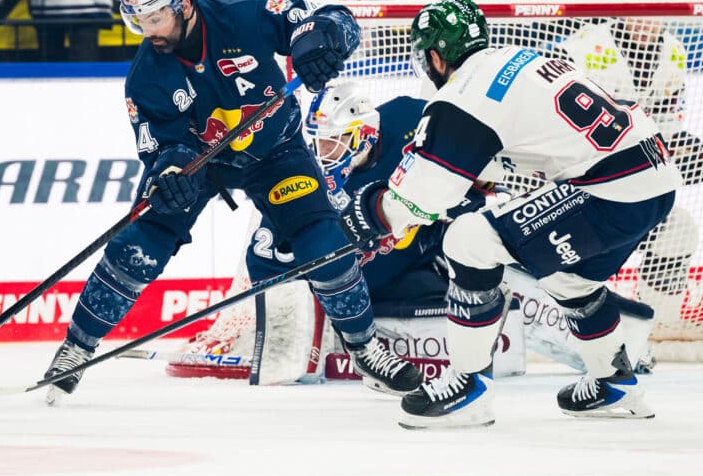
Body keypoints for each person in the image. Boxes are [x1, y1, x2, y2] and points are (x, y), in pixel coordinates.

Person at [41, 0, 422, 405]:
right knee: (138, 246)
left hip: (276, 153)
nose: (149, 31)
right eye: (139, 21)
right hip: (202, 165)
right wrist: (170, 171)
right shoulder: (145, 77)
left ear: (183, 3)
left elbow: (330, 17)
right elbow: (161, 146)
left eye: (156, 18)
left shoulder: (243, 19)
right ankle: (74, 350)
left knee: (323, 243)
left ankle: (365, 350)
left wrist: (318, 42)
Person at [337, 0, 680, 428]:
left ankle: (469, 387)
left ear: (435, 55)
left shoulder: (464, 93)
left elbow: (420, 194)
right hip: (655, 175)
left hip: (611, 187)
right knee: (567, 277)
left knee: (468, 240)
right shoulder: (520, 59)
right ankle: (615, 383)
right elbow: (507, 148)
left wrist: (367, 217)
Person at [239, 78, 658, 383]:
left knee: (501, 259)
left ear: (364, 133)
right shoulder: (309, 182)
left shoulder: (406, 117)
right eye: (317, 143)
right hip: (385, 280)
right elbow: (266, 256)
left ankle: (621, 352)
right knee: (471, 294)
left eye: (332, 144)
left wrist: (466, 196)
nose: (323, 155)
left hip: (432, 246)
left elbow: (465, 160)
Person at [554, 0, 701, 327]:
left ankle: (658, 329)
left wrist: (684, 149)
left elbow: (666, 125)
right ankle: (563, 321)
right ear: (619, 7)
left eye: (656, 9)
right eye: (638, 8)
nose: (647, 19)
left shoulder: (675, 54)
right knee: (569, 264)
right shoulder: (584, 47)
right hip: (575, 189)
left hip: (630, 189)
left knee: (679, 231)